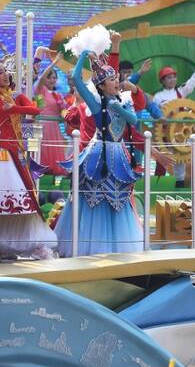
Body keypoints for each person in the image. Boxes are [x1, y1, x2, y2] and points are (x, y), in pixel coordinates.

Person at [0, 28, 58, 260]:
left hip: (16, 153)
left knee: (23, 201)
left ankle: (23, 245)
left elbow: (35, 109)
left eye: (5, 71)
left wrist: (15, 109)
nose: (4, 75)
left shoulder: (15, 96)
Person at [54, 50, 142, 255]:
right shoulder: (95, 103)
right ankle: (91, 246)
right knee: (94, 199)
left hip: (117, 155)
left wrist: (118, 108)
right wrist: (83, 54)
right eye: (112, 79)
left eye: (116, 78)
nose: (117, 82)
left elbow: (134, 121)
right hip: (98, 155)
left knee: (117, 200)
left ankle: (116, 247)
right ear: (101, 86)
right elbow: (76, 78)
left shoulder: (124, 101)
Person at [153, 49, 195, 185]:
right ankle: (157, 186)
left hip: (179, 133)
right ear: (163, 81)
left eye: (174, 77)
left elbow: (193, 81)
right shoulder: (158, 97)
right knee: (162, 160)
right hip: (163, 134)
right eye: (168, 77)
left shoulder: (181, 92)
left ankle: (179, 186)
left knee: (179, 161)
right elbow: (155, 116)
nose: (172, 79)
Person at [34, 53, 70, 178]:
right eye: (50, 77)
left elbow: (64, 112)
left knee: (56, 160)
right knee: (41, 155)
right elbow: (41, 79)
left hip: (54, 129)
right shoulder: (40, 91)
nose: (52, 80)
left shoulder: (58, 95)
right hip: (42, 127)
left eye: (54, 78)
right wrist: (54, 62)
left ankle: (56, 184)